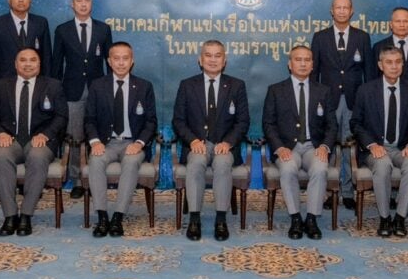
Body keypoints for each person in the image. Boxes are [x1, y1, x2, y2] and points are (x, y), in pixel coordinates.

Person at [0, 48, 68, 237]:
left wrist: (45, 135)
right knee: (0, 154)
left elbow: (61, 116)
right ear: (15, 64)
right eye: (23, 60)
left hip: (40, 141)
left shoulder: (53, 86)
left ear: (39, 64)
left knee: (37, 156)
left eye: (32, 60)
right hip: (10, 139)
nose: (28, 64)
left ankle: (26, 215)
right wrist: (0, 133)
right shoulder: (0, 85)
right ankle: (10, 215)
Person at [172, 40, 250, 241]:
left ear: (224, 61)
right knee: (196, 162)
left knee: (223, 163)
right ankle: (194, 219)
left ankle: (221, 220)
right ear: (200, 60)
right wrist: (192, 141)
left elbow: (243, 122)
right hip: (197, 144)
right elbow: (178, 121)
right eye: (208, 55)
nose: (213, 60)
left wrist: (228, 143)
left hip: (225, 146)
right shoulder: (187, 85)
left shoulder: (236, 86)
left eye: (217, 56)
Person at [262, 45, 338, 240]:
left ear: (312, 65)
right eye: (298, 59)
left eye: (307, 60)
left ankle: (311, 218)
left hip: (314, 147)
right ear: (290, 64)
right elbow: (268, 124)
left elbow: (332, 125)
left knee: (320, 168)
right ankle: (295, 218)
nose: (303, 63)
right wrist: (279, 147)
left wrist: (325, 146)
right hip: (288, 148)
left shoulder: (324, 91)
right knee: (287, 169)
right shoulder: (275, 90)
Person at [351, 45, 408, 238]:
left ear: (403, 64)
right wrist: (372, 145)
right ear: (380, 65)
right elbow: (356, 123)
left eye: (398, 62)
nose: (394, 66)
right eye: (389, 62)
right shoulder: (366, 90)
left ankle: (400, 217)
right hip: (376, 148)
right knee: (382, 164)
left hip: (403, 148)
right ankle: (385, 217)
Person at [84, 42, 157, 238]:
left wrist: (139, 143)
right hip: (106, 143)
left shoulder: (144, 86)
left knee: (131, 162)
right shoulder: (98, 85)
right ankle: (102, 216)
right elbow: (89, 119)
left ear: (132, 61)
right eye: (116, 58)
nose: (121, 63)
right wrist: (95, 142)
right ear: (109, 61)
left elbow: (151, 122)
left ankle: (117, 217)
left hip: (132, 142)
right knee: (95, 161)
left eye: (125, 58)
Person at [311, 0, 375, 209]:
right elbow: (314, 73)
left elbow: (369, 73)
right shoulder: (320, 37)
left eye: (345, 7)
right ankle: (329, 191)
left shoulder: (362, 37)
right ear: (332, 11)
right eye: (337, 7)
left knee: (349, 148)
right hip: (327, 101)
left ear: (351, 11)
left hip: (353, 101)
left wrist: (368, 102)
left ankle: (347, 192)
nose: (341, 11)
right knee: (326, 146)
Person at [51, 0, 113, 200]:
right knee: (75, 136)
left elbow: (110, 62)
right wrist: (55, 92)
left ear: (91, 3)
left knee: (98, 134)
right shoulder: (62, 30)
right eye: (79, 0)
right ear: (72, 4)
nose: (83, 4)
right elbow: (56, 64)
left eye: (87, 0)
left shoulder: (103, 29)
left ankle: (96, 178)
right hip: (72, 91)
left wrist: (111, 90)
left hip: (99, 90)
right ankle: (77, 180)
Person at [0, 0, 51, 89]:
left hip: (36, 85)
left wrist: (47, 87)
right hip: (4, 85)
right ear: (9, 0)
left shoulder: (41, 23)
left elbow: (46, 57)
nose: (21, 0)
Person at [372, 7, 408, 93]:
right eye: (398, 21)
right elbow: (373, 77)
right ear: (391, 24)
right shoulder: (379, 47)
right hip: (386, 96)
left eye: (406, 21)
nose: (402, 25)